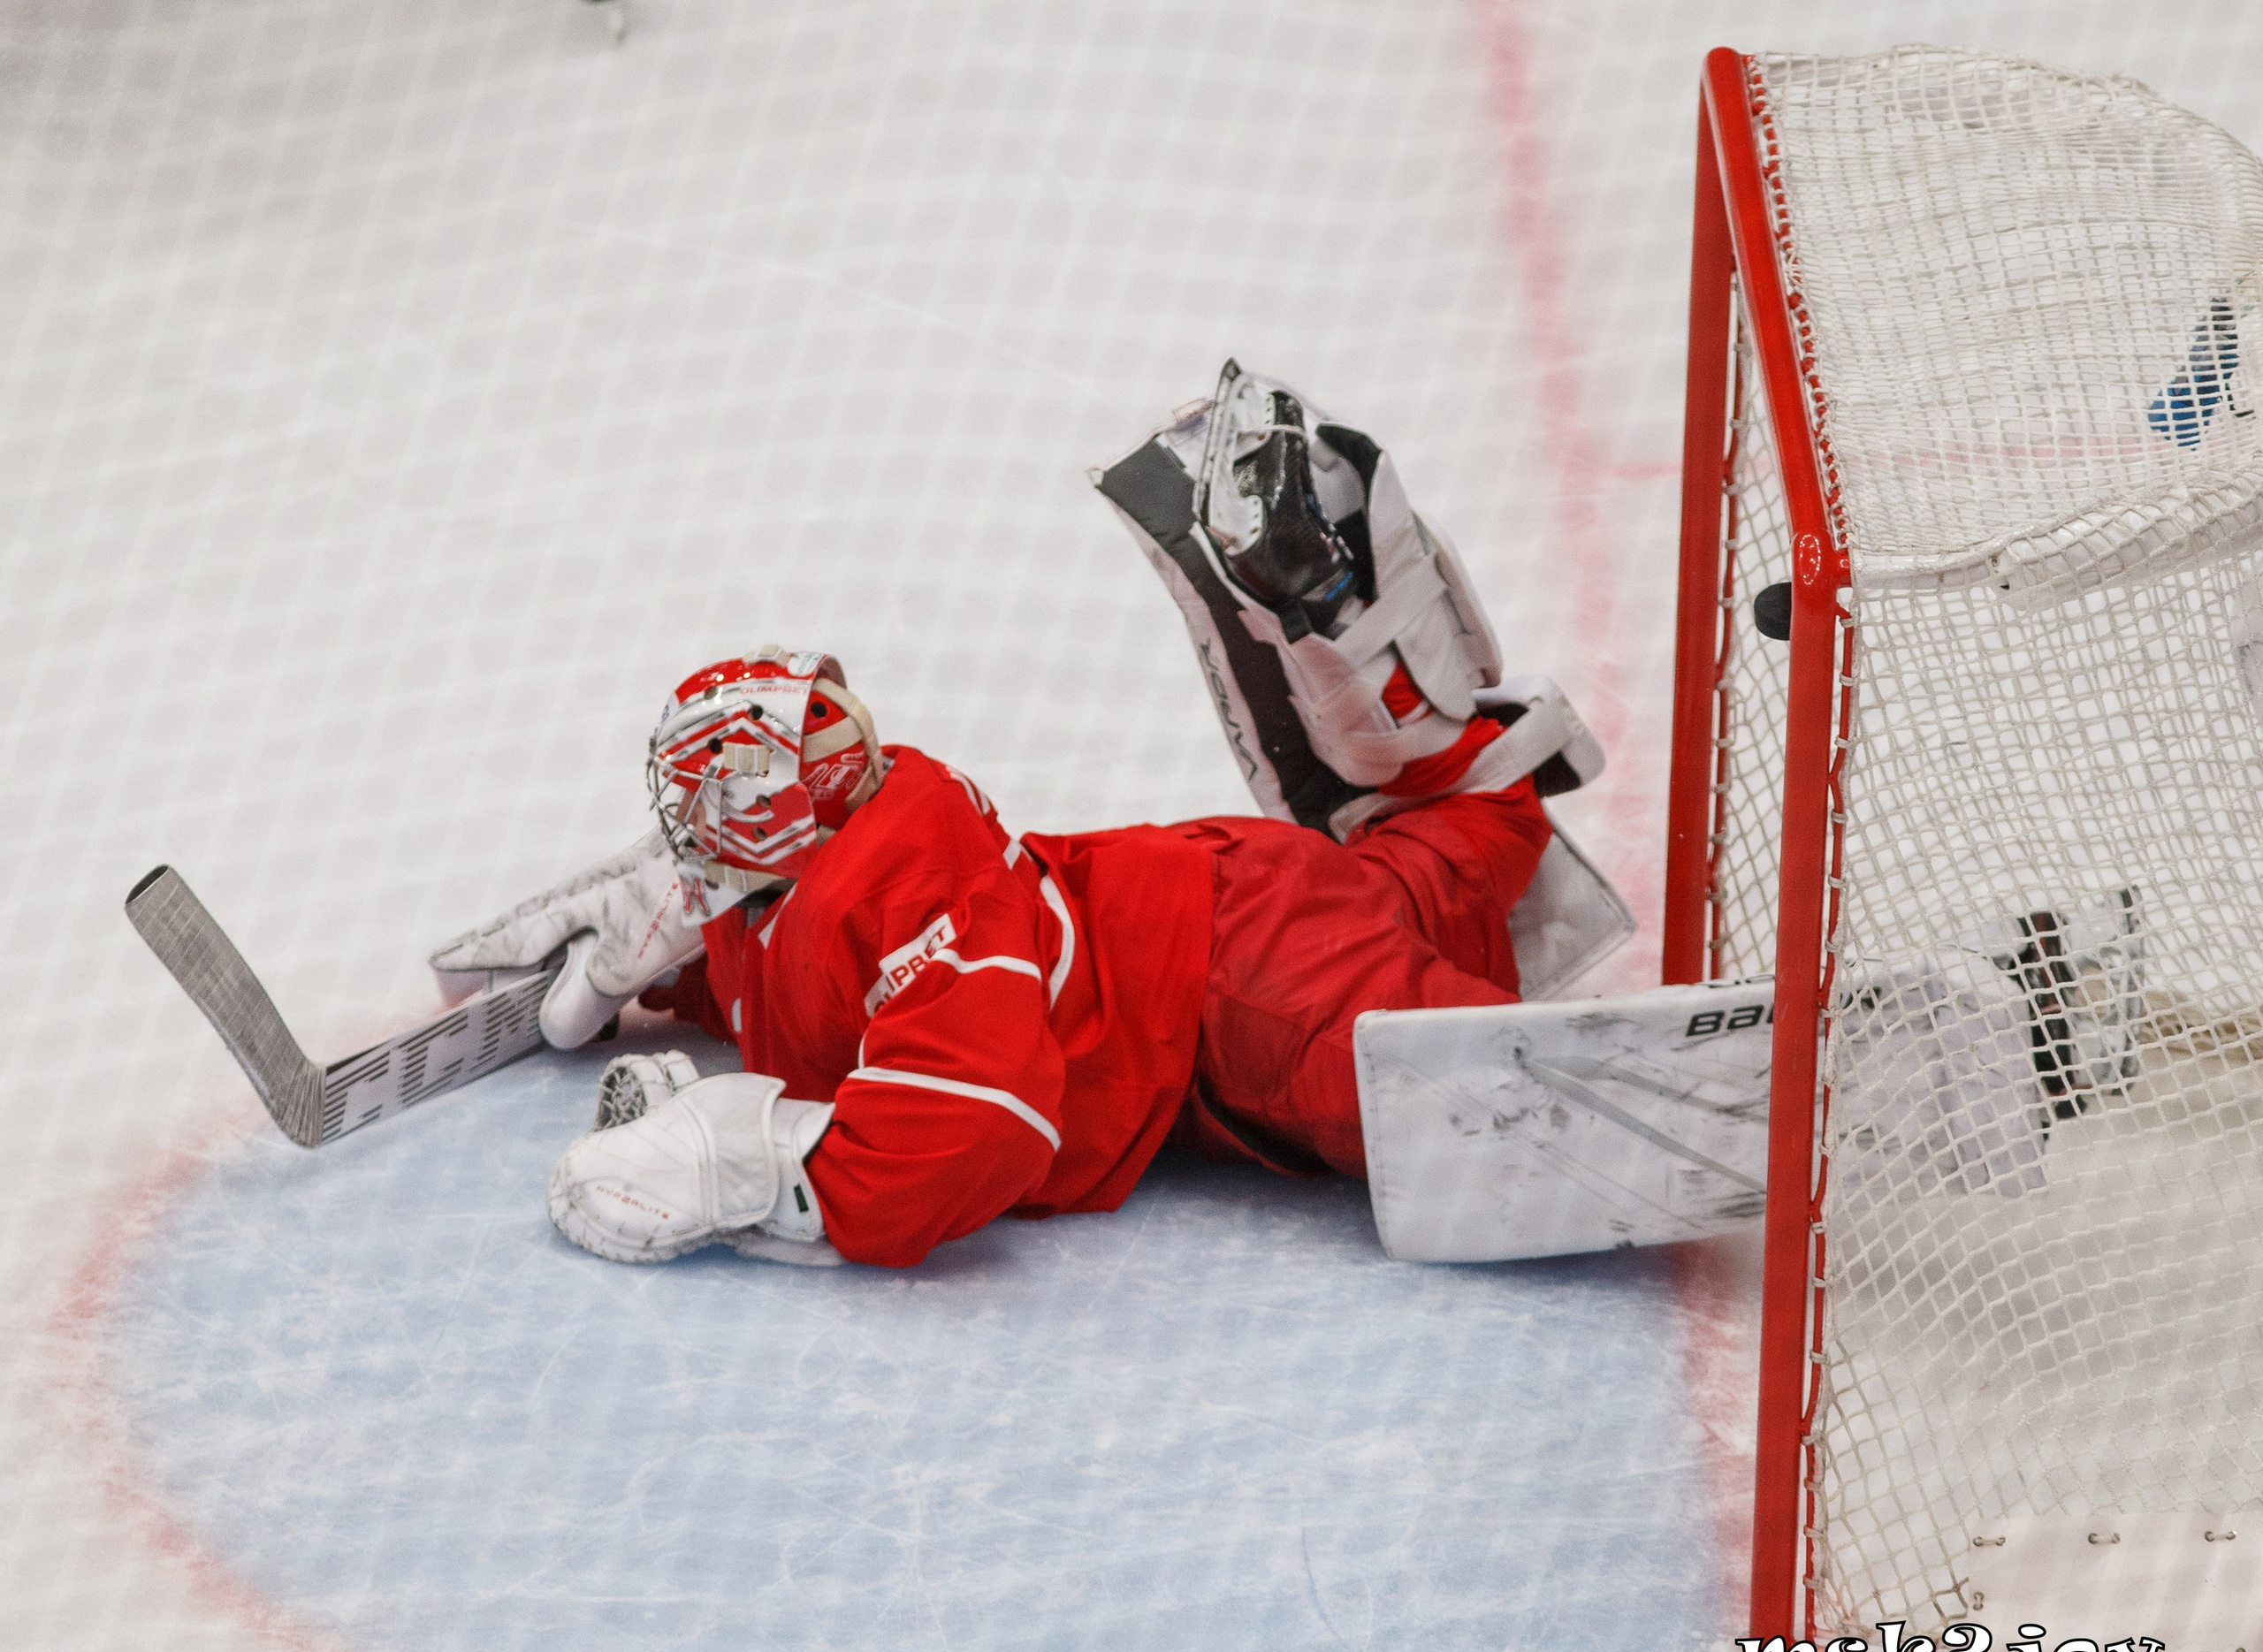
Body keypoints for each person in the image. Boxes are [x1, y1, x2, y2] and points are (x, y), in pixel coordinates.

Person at [431, 365, 1627, 1268]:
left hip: (1234, 972)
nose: (855, 754)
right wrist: (656, 977)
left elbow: (978, 1120)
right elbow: (813, 994)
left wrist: (759, 1161)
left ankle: (1655, 1095)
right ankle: (1361, 649)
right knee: (1446, 840)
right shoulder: (789, 902)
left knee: (1457, 1103)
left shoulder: (905, 872)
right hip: (1226, 907)